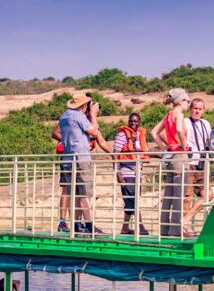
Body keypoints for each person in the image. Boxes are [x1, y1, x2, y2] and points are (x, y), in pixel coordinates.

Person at [58, 93, 112, 234]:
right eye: (88, 105)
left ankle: (76, 224)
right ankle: (89, 226)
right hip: (80, 159)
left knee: (74, 194)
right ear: (83, 106)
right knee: (84, 194)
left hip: (67, 160)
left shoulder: (64, 116)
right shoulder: (78, 116)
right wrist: (93, 114)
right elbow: (94, 131)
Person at [151, 88, 190, 237]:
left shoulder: (168, 115)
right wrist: (184, 144)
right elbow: (179, 129)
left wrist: (165, 148)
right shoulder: (179, 114)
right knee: (179, 196)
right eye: (187, 101)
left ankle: (164, 230)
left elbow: (154, 132)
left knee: (168, 196)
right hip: (179, 156)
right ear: (181, 101)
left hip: (171, 156)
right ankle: (175, 231)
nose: (188, 103)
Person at [114, 113, 150, 235]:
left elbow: (144, 152)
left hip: (137, 172)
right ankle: (140, 226)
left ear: (139, 122)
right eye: (131, 121)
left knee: (131, 200)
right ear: (128, 121)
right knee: (132, 199)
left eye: (136, 121)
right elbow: (115, 155)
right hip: (126, 171)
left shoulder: (140, 135)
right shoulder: (122, 135)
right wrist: (117, 172)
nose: (133, 123)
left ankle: (125, 228)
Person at [182, 98, 212, 226]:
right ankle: (186, 227)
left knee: (208, 195)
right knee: (187, 197)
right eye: (195, 108)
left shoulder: (206, 123)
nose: (197, 111)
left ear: (203, 110)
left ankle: (186, 218)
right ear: (190, 109)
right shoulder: (185, 122)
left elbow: (210, 141)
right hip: (189, 162)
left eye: (200, 109)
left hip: (202, 164)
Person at [52, 125, 71, 233]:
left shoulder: (87, 117)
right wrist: (69, 141)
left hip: (80, 159)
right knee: (66, 190)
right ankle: (62, 221)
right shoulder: (68, 117)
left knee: (80, 192)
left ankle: (78, 222)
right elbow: (54, 132)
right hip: (68, 159)